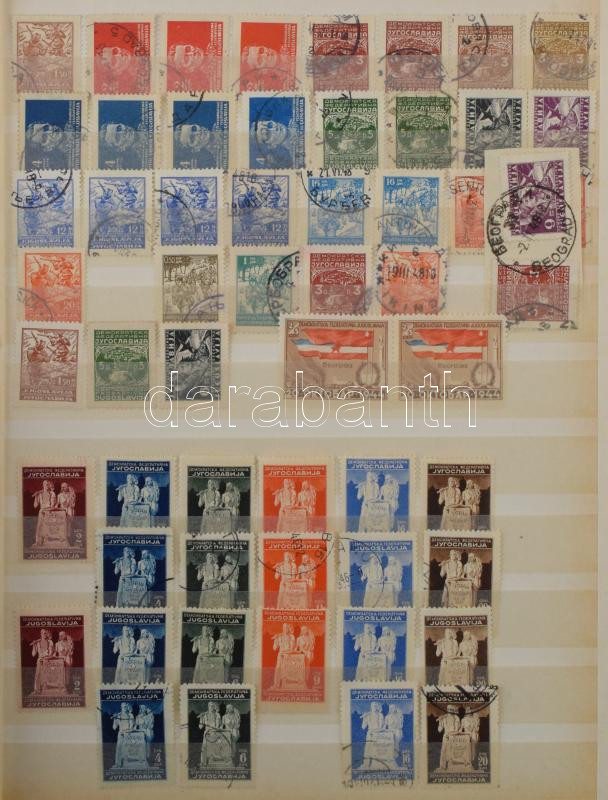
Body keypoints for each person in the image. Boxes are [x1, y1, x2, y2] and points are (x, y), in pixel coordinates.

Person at [271, 623, 296, 690]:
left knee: (286, 669)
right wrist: (275, 640)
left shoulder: (291, 637)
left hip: (288, 655)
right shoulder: (279, 636)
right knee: (278, 669)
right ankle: (276, 685)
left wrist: (286, 652)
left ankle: (286, 686)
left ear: (289, 629)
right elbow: (274, 648)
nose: (285, 629)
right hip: (280, 654)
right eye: (284, 628)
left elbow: (292, 649)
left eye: (287, 628)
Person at [361, 702, 385, 769]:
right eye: (372, 706)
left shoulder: (380, 715)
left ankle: (377, 765)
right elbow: (363, 727)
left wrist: (376, 731)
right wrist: (364, 718)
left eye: (375, 706)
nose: (374, 707)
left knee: (378, 750)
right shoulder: (368, 715)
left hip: (378, 734)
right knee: (368, 749)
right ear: (371, 707)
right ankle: (366, 765)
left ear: (378, 707)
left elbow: (382, 727)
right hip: (370, 734)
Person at [31, 628, 55, 694]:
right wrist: (34, 645)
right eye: (44, 633)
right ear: (41, 634)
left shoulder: (50, 642)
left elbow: (51, 653)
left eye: (46, 633)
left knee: (47, 676)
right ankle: (37, 690)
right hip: (40, 660)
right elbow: (33, 654)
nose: (45, 634)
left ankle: (47, 690)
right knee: (38, 675)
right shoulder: (37, 643)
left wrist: (47, 656)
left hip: (48, 660)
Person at [437, 704, 461, 770]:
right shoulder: (444, 718)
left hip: (454, 737)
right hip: (445, 737)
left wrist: (452, 734)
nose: (450, 711)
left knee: (453, 752)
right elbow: (439, 730)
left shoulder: (456, 718)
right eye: (448, 709)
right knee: (443, 751)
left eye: (451, 709)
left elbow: (457, 730)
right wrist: (440, 721)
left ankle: (452, 767)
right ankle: (442, 767)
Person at [33, 480, 56, 546]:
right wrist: (36, 496)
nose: (46, 485)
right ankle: (38, 542)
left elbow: (52, 505)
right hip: (41, 511)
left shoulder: (52, 493)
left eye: (48, 484)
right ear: (43, 485)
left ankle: (47, 542)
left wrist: (48, 511)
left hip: (49, 511)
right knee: (40, 527)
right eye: (45, 484)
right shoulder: (39, 493)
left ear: (50, 485)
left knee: (48, 527)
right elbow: (35, 506)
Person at [112, 702, 135, 767]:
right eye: (123, 706)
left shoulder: (130, 715)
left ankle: (127, 764)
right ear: (121, 707)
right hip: (121, 734)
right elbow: (114, 728)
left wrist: (127, 732)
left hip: (128, 734)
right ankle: (118, 764)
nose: (125, 708)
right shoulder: (118, 715)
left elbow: (131, 727)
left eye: (126, 706)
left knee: (127, 749)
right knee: (119, 748)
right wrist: (115, 719)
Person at [199, 701, 222, 766]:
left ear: (214, 707)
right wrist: (201, 719)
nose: (211, 707)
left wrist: (218, 730)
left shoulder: (217, 715)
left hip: (215, 733)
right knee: (204, 748)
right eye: (210, 705)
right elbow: (200, 727)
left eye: (213, 706)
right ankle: (203, 763)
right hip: (207, 733)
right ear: (208, 706)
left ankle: (213, 763)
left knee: (216, 748)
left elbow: (220, 725)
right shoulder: (204, 715)